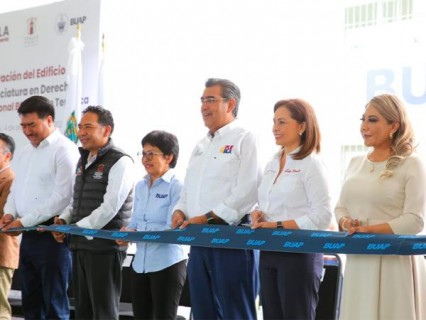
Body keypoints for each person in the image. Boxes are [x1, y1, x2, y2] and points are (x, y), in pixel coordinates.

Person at [171, 78, 262, 319]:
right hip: (199, 240)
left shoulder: (246, 137)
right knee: (202, 311)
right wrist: (181, 210)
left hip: (231, 238)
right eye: (202, 100)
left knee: (235, 313)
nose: (203, 106)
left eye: (210, 100)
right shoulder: (201, 145)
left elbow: (249, 188)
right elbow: (190, 187)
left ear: (230, 103)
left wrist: (209, 218)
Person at [335, 93, 426, 320]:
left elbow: (415, 220)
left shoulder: (412, 164)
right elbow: (340, 208)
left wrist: (369, 230)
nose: (364, 126)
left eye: (372, 120)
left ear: (394, 125)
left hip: (394, 262)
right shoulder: (355, 163)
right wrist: (346, 222)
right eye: (363, 119)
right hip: (358, 260)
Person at [251, 99, 332, 319]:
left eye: (282, 122)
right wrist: (259, 213)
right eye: (274, 122)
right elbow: (272, 203)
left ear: (302, 126)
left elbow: (323, 216)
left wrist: (276, 225)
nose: (275, 128)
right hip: (268, 250)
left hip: (299, 253)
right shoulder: (272, 163)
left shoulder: (311, 164)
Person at [0, 95, 79, 319]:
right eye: (23, 126)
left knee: (54, 301)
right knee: (31, 301)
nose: (27, 131)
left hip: (53, 235)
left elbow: (62, 197)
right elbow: (16, 191)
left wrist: (23, 221)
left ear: (50, 120)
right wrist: (9, 214)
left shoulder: (65, 149)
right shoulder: (25, 153)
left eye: (32, 125)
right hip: (27, 235)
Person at [53, 106, 135, 320]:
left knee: (104, 312)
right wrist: (63, 219)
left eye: (88, 127)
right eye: (80, 127)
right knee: (83, 312)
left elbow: (110, 207)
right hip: (79, 246)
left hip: (104, 248)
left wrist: (76, 228)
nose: (81, 132)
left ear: (106, 130)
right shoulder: (83, 160)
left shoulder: (121, 161)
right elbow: (76, 201)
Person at [117, 130, 187, 319]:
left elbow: (170, 228)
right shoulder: (140, 185)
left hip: (167, 263)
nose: (145, 159)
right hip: (140, 264)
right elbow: (136, 221)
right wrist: (127, 233)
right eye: (143, 153)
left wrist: (138, 234)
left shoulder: (177, 186)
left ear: (168, 157)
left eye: (151, 154)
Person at [0, 133, 18, 320]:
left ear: (7, 156)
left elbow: (4, 214)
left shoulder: (10, 179)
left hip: (2, 252)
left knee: (0, 309)